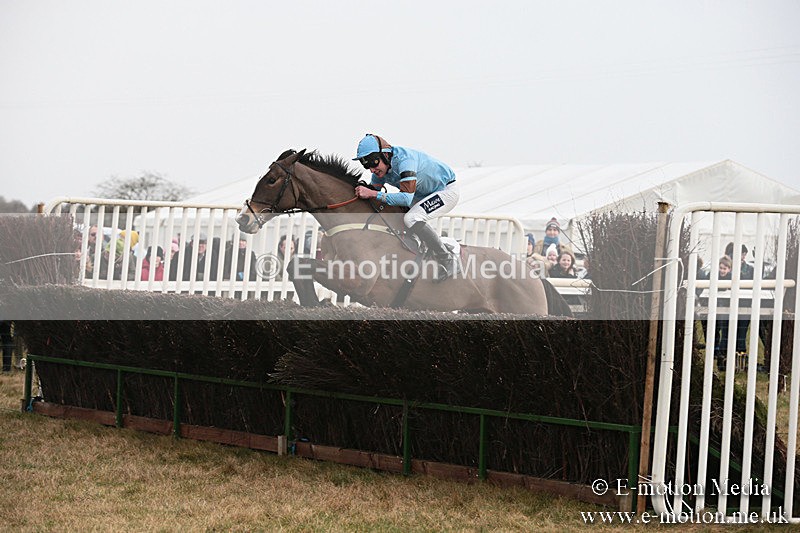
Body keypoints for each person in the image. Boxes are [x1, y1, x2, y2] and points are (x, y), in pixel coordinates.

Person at [353, 133, 459, 282]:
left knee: (412, 218)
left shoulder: (405, 161)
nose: (371, 169)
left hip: (445, 192)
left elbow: (404, 198)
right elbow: (373, 191)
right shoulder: (381, 168)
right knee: (395, 214)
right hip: (422, 195)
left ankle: (447, 259)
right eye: (366, 165)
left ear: (385, 155)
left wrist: (372, 193)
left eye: (373, 162)